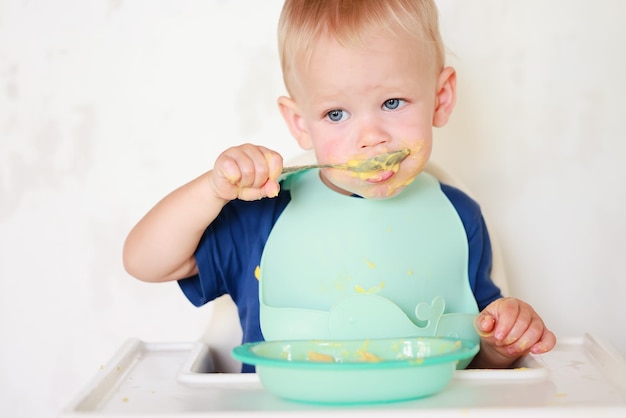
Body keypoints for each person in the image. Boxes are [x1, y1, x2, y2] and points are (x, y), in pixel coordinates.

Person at [123, 0, 556, 371]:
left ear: (440, 98)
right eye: (336, 114)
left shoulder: (459, 218)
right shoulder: (264, 213)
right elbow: (144, 262)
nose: (370, 136)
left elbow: (471, 360)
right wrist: (213, 190)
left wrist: (502, 347)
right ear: (300, 123)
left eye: (392, 102)